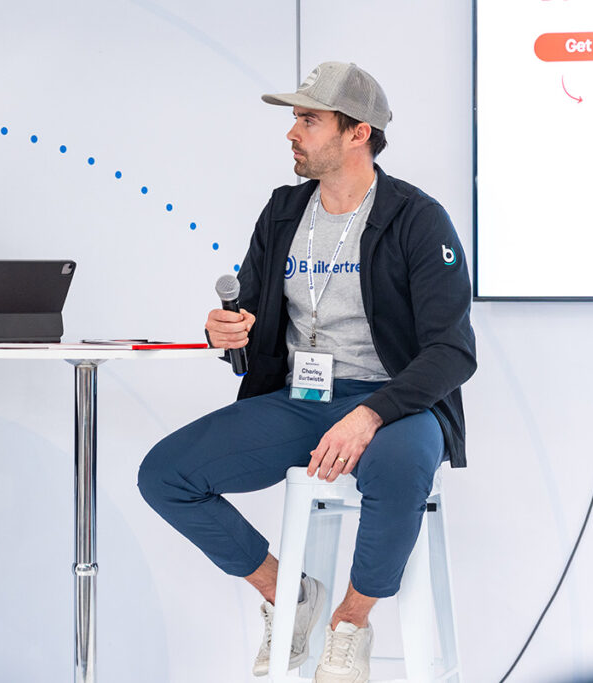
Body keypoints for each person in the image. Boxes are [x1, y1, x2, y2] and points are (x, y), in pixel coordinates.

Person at [137, 62, 476, 682]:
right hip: (302, 399)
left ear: (358, 133)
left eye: (308, 119)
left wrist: (370, 416)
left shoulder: (417, 219)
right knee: (165, 475)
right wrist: (229, 330)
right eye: (295, 117)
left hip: (395, 403)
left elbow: (453, 350)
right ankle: (289, 596)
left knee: (400, 468)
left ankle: (351, 622)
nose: (292, 132)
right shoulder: (284, 211)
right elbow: (252, 317)